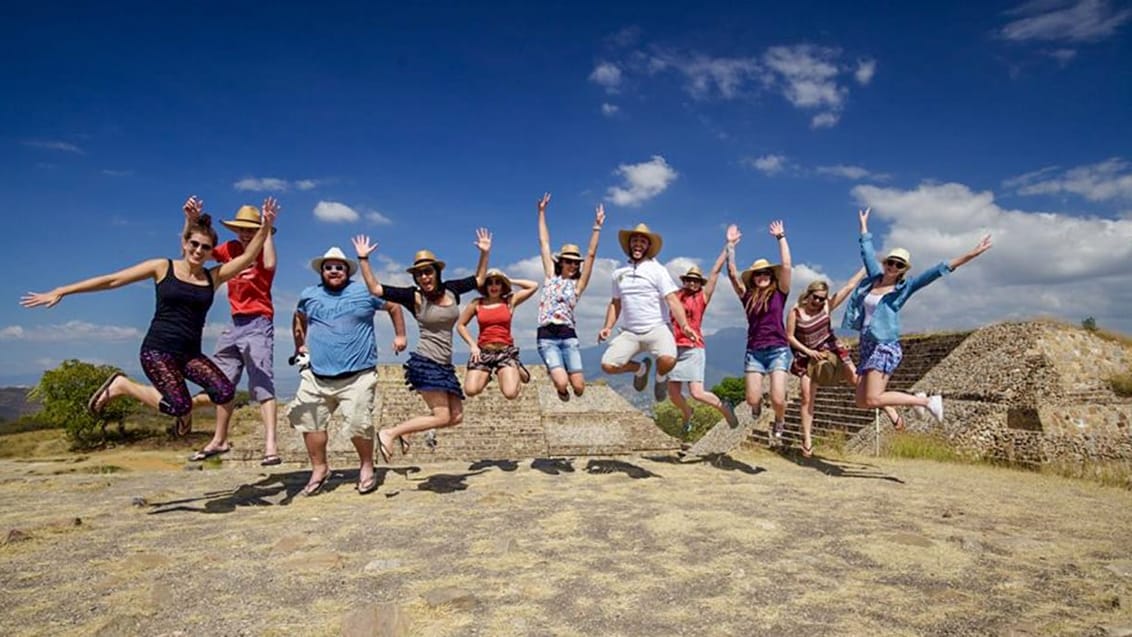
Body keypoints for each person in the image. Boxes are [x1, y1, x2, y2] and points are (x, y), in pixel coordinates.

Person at [21, 197, 278, 439]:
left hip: (190, 354)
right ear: (185, 244)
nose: (199, 250)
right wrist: (62, 291)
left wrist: (265, 227)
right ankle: (123, 386)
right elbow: (113, 280)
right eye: (194, 244)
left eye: (206, 247)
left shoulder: (214, 276)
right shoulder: (162, 267)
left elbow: (246, 258)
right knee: (178, 406)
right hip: (158, 351)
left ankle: (184, 410)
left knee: (224, 391)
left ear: (212, 251)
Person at [351, 229, 491, 463]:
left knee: (455, 417)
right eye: (419, 274)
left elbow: (478, 280)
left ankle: (404, 431)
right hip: (426, 362)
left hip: (444, 365)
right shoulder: (414, 297)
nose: (424, 278)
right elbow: (376, 289)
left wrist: (485, 253)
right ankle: (390, 433)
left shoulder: (452, 290)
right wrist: (363, 260)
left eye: (427, 272)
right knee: (441, 414)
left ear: (436, 272)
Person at [844, 207, 992, 423]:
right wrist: (864, 226)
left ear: (903, 269)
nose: (893, 266)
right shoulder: (873, 279)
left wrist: (972, 253)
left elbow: (937, 271)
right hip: (866, 343)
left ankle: (925, 402)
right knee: (862, 402)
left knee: (874, 398)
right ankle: (921, 400)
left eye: (899, 264)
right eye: (890, 262)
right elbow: (866, 250)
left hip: (884, 345)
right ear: (884, 263)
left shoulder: (904, 288)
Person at [287, 246, 407, 497]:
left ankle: (366, 466)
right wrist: (300, 343)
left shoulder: (364, 291)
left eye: (338, 267)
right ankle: (319, 469)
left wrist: (400, 335)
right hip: (317, 375)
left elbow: (394, 307)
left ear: (346, 271)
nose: (333, 271)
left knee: (357, 423)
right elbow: (298, 317)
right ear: (321, 271)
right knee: (310, 423)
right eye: (328, 267)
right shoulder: (309, 295)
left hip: (358, 375)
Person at [181, 202, 282, 465]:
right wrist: (190, 222)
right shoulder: (230, 249)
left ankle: (271, 445)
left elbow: (269, 264)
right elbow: (194, 251)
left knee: (261, 381)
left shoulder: (262, 248)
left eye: (251, 229)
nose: (245, 234)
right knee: (221, 384)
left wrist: (267, 229)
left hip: (259, 321)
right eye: (241, 229)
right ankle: (219, 439)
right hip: (234, 323)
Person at [786, 274, 902, 457]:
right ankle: (807, 439)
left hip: (832, 350)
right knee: (806, 396)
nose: (817, 301)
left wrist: (865, 267)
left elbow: (848, 286)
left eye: (821, 298)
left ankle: (888, 407)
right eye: (814, 297)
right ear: (808, 295)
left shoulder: (826, 307)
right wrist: (808, 352)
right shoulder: (795, 312)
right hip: (808, 357)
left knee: (858, 380)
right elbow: (790, 337)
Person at [598, 222, 698, 402]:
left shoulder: (658, 270)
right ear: (629, 245)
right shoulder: (618, 274)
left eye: (642, 241)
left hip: (657, 328)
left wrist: (684, 325)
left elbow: (672, 300)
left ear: (648, 247)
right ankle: (640, 369)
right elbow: (615, 303)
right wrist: (607, 327)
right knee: (608, 365)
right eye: (635, 240)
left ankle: (660, 377)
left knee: (668, 360)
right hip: (629, 332)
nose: (638, 244)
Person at [666, 226, 741, 434]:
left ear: (700, 283)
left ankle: (724, 407)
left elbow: (715, 271)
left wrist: (729, 246)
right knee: (673, 394)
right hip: (674, 348)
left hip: (693, 347)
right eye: (689, 279)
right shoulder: (675, 296)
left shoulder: (702, 297)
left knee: (697, 392)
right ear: (684, 281)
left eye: (696, 280)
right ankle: (687, 412)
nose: (692, 283)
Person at [727, 220, 792, 446]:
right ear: (753, 278)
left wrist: (780, 237)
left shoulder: (780, 293)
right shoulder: (747, 297)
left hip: (778, 350)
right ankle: (757, 408)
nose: (762, 276)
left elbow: (786, 265)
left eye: (765, 273)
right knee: (752, 399)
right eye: (757, 274)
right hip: (754, 351)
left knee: (777, 397)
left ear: (771, 276)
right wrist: (731, 246)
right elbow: (733, 274)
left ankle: (780, 420)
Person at [535, 193, 604, 401]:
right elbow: (544, 243)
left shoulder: (578, 285)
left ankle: (563, 375)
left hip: (568, 336)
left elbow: (591, 254)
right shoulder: (549, 276)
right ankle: (559, 383)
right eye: (568, 261)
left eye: (576, 263)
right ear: (561, 262)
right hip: (547, 336)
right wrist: (541, 213)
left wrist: (597, 227)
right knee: (563, 383)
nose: (573, 265)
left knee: (580, 388)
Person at [456, 269, 539, 399]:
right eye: (490, 283)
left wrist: (509, 280)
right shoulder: (477, 303)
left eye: (498, 282)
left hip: (505, 351)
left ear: (502, 285)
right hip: (484, 351)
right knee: (471, 390)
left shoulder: (509, 301)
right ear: (485, 286)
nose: (494, 286)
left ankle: (515, 367)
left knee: (510, 394)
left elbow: (533, 286)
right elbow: (461, 325)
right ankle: (487, 374)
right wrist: (473, 346)